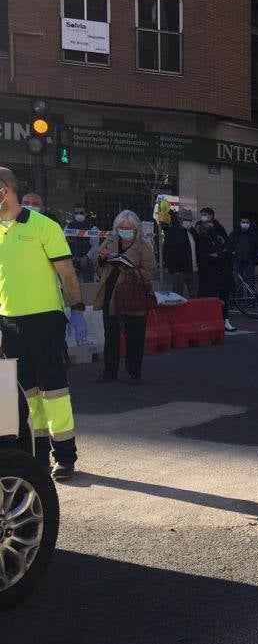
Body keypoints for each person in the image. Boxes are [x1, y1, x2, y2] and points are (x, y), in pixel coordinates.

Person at [0, 167, 88, 480]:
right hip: (8, 322)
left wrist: (76, 308)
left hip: (45, 321)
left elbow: (66, 273)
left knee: (54, 391)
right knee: (26, 395)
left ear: (4, 191)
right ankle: (35, 457)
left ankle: (64, 456)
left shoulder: (43, 227)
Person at [92, 210, 156, 385]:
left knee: (134, 336)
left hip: (131, 294)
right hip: (110, 293)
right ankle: (109, 371)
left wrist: (132, 270)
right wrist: (103, 259)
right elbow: (97, 258)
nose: (125, 231)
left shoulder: (143, 246)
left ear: (136, 229)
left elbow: (149, 271)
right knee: (110, 334)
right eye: (121, 227)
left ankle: (134, 371)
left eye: (128, 228)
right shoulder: (111, 240)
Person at [195, 207, 235, 331]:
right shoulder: (199, 230)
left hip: (222, 268)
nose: (203, 217)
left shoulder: (219, 229)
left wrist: (218, 255)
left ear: (212, 215)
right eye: (202, 215)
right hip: (207, 270)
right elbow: (200, 251)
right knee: (209, 295)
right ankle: (211, 321)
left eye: (205, 215)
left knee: (224, 296)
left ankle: (225, 320)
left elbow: (226, 247)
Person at [163, 208, 200, 298]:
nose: (188, 222)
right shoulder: (172, 232)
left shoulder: (192, 232)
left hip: (193, 271)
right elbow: (167, 251)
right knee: (177, 296)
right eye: (186, 220)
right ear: (180, 220)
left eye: (189, 220)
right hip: (179, 271)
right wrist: (173, 270)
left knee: (194, 295)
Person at [227, 216, 258, 284]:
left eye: (247, 222)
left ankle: (251, 295)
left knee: (251, 281)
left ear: (250, 223)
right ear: (240, 223)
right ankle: (238, 294)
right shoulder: (234, 234)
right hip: (237, 261)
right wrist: (232, 254)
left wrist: (255, 257)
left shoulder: (254, 234)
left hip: (250, 261)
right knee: (237, 281)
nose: (245, 224)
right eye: (243, 222)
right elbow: (229, 246)